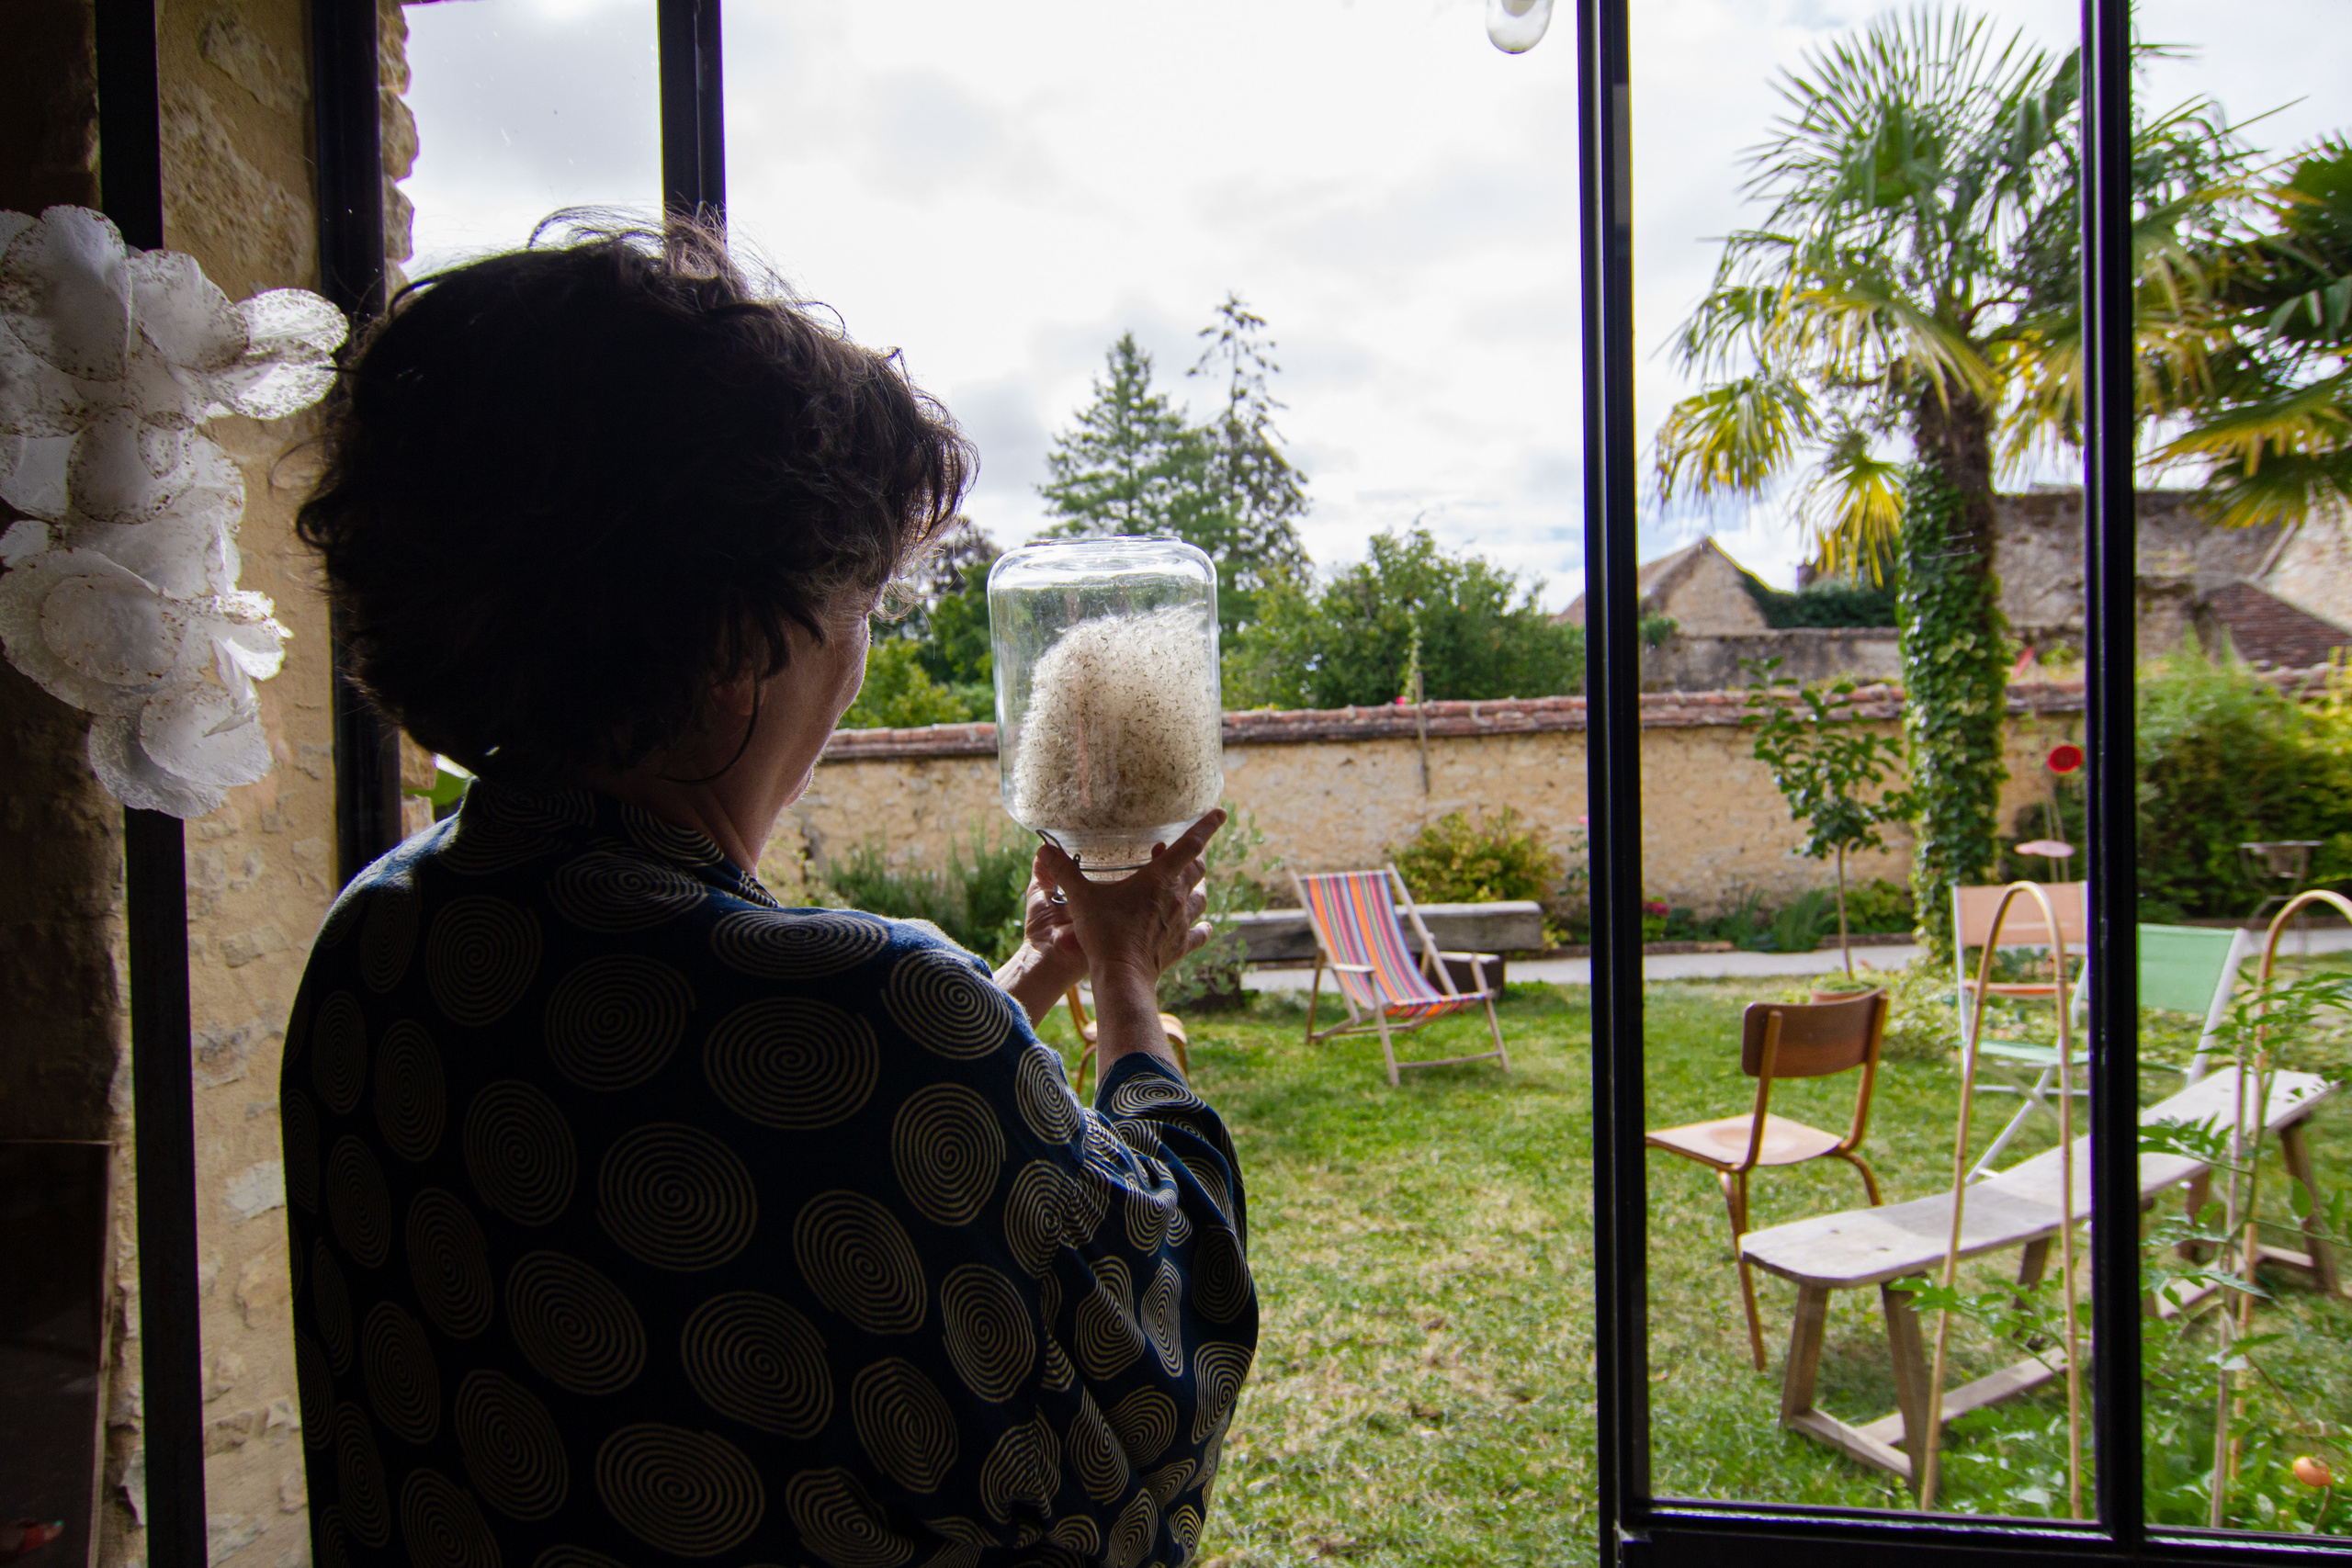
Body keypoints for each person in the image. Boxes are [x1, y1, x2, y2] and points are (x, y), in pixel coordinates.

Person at [282, 220, 1255, 1568]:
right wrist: (1131, 983)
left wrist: (1028, 986)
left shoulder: (378, 933)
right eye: (862, 600)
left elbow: (784, 1144)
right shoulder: (879, 1019)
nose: (860, 652)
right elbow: (1160, 1364)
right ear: (745, 637)